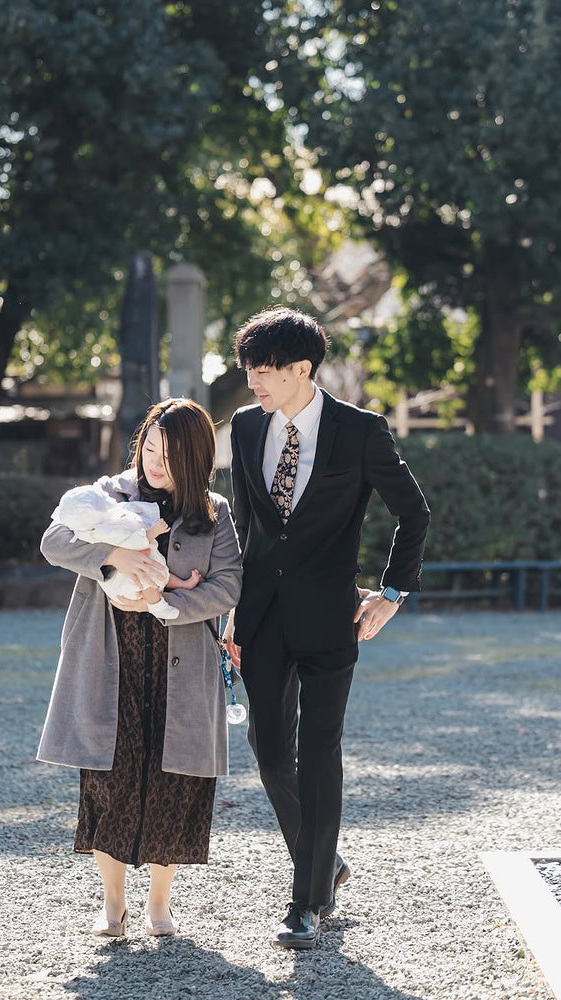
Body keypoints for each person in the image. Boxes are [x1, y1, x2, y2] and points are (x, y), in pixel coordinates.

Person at [224, 306, 430, 950]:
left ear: (301, 368)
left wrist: (392, 593)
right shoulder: (245, 426)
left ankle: (307, 900)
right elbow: (247, 527)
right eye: (248, 368)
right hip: (260, 616)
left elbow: (414, 513)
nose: (253, 381)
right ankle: (326, 862)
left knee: (318, 753)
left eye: (264, 369)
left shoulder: (360, 431)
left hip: (331, 618)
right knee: (268, 753)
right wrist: (230, 606)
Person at [37, 398, 243, 939]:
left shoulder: (214, 512)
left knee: (174, 781)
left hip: (183, 661)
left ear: (196, 458)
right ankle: (113, 904)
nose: (155, 463)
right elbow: (53, 541)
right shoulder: (109, 494)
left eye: (170, 456)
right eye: (150, 449)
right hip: (112, 656)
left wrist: (165, 602)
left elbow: (228, 586)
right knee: (110, 777)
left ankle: (159, 902)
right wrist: (113, 559)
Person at [50, 484, 201, 619]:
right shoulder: (108, 529)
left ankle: (183, 584)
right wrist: (153, 532)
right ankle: (157, 606)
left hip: (140, 570)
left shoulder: (86, 529)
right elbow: (133, 541)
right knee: (149, 581)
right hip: (128, 581)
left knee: (162, 574)